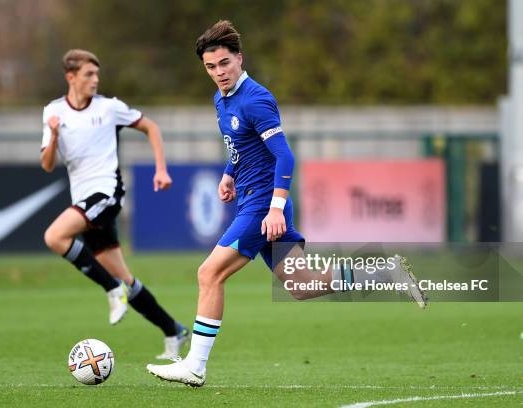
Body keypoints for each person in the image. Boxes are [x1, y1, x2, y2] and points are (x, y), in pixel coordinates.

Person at [146, 20, 426, 386]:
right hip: (253, 200)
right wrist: (230, 172)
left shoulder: (256, 99)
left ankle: (195, 365)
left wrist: (275, 207)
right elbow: (244, 145)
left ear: (240, 59)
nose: (218, 73)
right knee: (303, 285)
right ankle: (387, 272)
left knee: (208, 274)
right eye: (211, 67)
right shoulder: (222, 98)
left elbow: (285, 157)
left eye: (224, 64)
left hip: (263, 207)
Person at [41, 49, 189, 360]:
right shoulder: (53, 112)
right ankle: (173, 329)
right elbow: (47, 164)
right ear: (71, 77)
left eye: (96, 74)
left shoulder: (109, 108)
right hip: (82, 199)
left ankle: (111, 289)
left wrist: (161, 169)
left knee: (55, 237)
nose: (95, 80)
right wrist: (53, 135)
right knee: (126, 277)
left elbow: (152, 127)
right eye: (88, 75)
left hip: (106, 194)